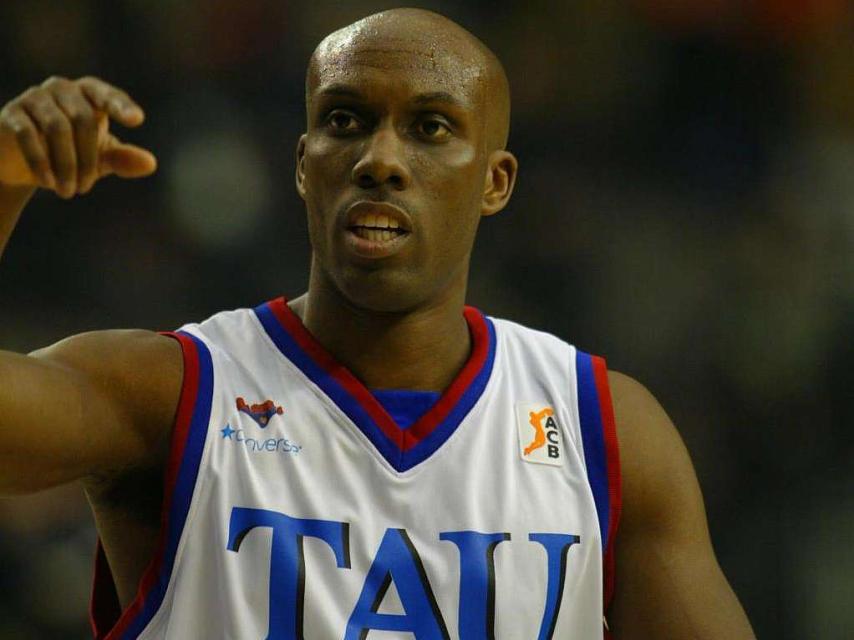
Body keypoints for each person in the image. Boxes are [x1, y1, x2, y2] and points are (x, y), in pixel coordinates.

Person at [0, 7, 756, 639]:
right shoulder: (172, 392)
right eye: (345, 120)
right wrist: (3, 175)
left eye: (430, 128)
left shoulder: (604, 431)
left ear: (495, 181)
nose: (379, 159)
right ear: (304, 164)